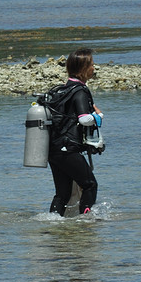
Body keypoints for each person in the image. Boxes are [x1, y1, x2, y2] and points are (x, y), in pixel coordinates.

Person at [47, 48, 104, 216]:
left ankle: (52, 222)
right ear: (83, 68)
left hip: (53, 149)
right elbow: (83, 119)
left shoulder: (64, 89)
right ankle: (86, 221)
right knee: (90, 185)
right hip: (68, 149)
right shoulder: (79, 91)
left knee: (62, 194)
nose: (94, 67)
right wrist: (99, 116)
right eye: (92, 64)